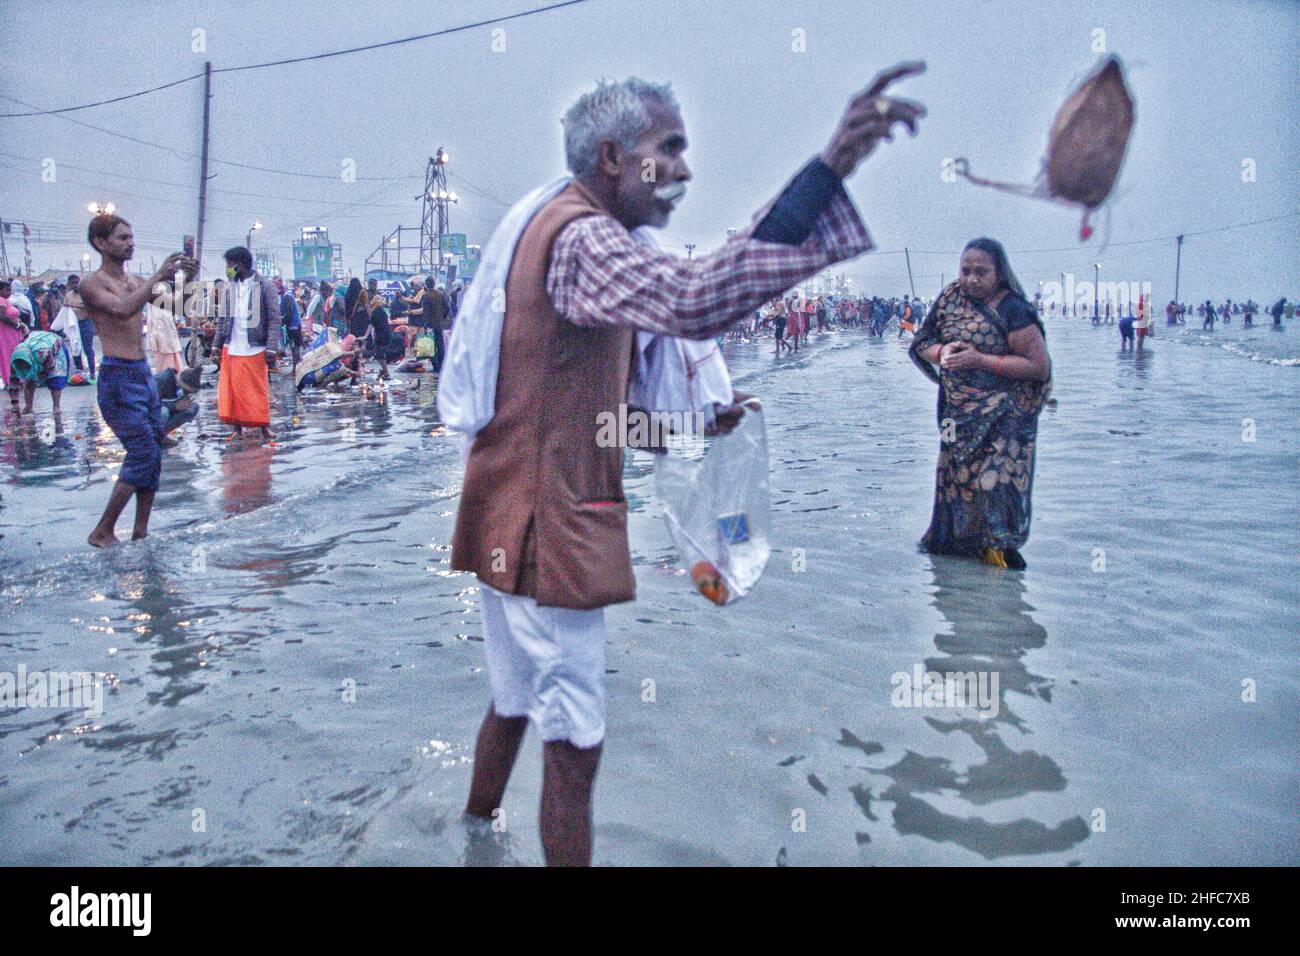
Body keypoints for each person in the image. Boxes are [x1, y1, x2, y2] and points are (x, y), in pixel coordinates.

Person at [441, 66, 923, 866]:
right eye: (670, 151)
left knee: (516, 699)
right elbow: (698, 297)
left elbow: (590, 418)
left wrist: (692, 426)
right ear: (611, 158)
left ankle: (466, 840)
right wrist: (828, 168)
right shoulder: (586, 238)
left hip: (505, 508)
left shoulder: (567, 230)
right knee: (577, 736)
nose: (687, 172)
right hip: (545, 530)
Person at [909, 237, 1051, 571]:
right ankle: (958, 577)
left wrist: (979, 361)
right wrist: (942, 354)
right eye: (966, 270)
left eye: (981, 272)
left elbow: (1037, 367)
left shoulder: (1015, 310)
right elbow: (923, 342)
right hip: (957, 416)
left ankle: (998, 569)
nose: (971, 279)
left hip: (1006, 419)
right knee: (954, 484)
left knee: (994, 487)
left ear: (999, 274)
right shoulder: (949, 298)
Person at [78, 213, 196, 546]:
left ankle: (140, 530)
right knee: (142, 450)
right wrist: (159, 274)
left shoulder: (135, 281)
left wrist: (188, 275)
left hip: (142, 373)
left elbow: (179, 305)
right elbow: (123, 310)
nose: (130, 243)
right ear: (101, 243)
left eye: (131, 237)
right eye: (122, 238)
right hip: (117, 376)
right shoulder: (93, 283)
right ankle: (103, 529)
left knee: (154, 448)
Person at [211, 246, 279, 442]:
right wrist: (216, 345)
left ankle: (264, 427)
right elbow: (223, 318)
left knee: (258, 389)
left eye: (230, 264)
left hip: (255, 347)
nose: (228, 268)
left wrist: (271, 347)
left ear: (240, 264)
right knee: (233, 391)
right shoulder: (229, 287)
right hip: (232, 346)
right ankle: (237, 428)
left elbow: (274, 319)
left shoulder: (265, 286)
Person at [1, 280, 28, 414]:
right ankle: (12, 383)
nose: (8, 292)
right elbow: (2, 317)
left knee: (16, 356)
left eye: (9, 289)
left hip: (13, 334)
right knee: (11, 358)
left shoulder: (7, 300)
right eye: (6, 290)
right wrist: (17, 325)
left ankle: (17, 381)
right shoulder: (1, 300)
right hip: (6, 334)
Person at [277, 277, 303, 370]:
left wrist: (281, 323)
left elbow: (288, 314)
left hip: (293, 327)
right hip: (295, 325)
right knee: (295, 347)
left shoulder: (286, 296)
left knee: (294, 347)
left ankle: (296, 369)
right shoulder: (288, 295)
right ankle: (297, 368)